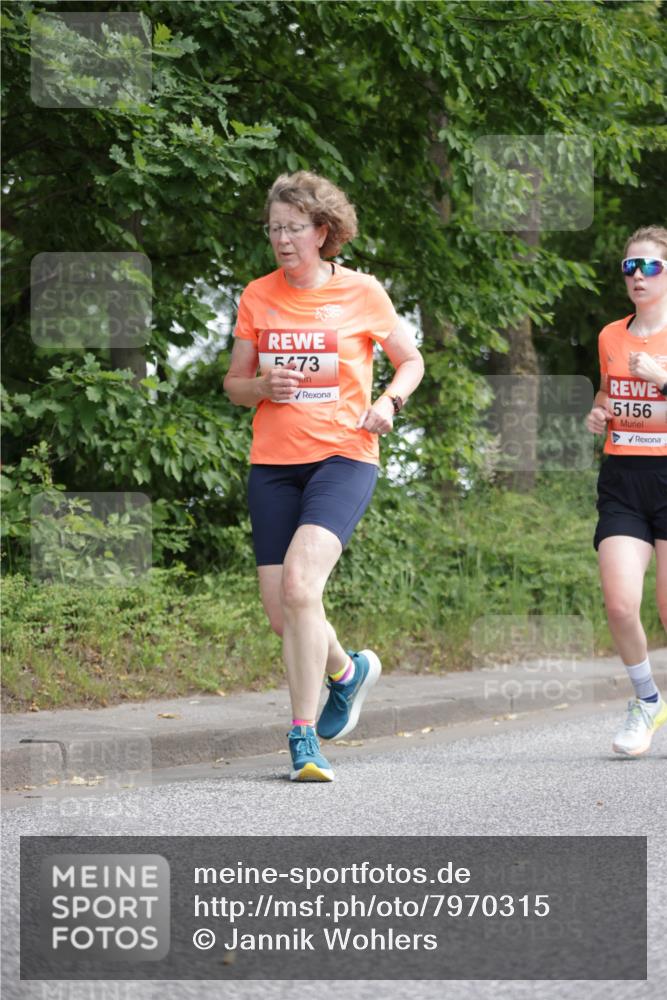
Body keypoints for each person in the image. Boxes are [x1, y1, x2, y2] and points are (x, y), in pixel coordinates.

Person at [223, 171, 424, 781]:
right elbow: (234, 385)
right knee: (285, 612)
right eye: (274, 228)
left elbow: (410, 360)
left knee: (302, 586)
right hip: (274, 466)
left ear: (323, 231)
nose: (282, 239)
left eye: (293, 228)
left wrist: (388, 404)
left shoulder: (363, 293)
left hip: (344, 456)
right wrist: (259, 386)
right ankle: (348, 670)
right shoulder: (258, 295)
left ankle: (303, 738)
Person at [586, 224, 667, 757]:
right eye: (629, 267)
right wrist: (598, 410)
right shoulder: (611, 335)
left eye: (650, 267)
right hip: (623, 479)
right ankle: (646, 701)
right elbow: (607, 391)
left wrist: (661, 378)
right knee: (619, 603)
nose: (637, 276)